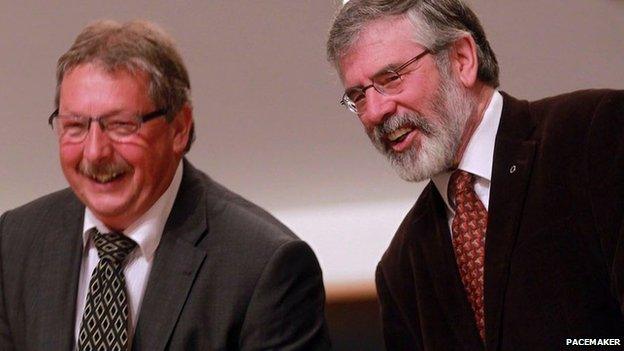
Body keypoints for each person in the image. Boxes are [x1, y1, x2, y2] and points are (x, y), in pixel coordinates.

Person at [0, 20, 330, 350]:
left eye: (121, 125)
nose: (95, 151)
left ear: (179, 129)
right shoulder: (14, 243)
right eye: (75, 126)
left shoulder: (265, 268)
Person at [326, 0, 624, 349]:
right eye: (358, 96)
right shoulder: (402, 266)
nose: (375, 112)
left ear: (462, 60)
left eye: (391, 78)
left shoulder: (595, 134)